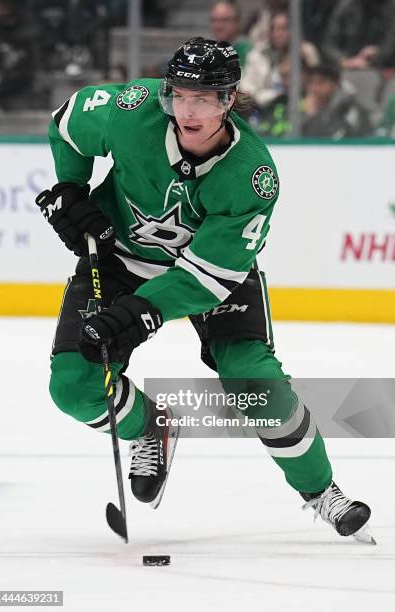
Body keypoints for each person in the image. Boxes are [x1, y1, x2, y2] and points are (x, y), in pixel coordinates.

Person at [36, 37, 374, 541]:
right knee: (73, 386)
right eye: (178, 95)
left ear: (230, 100)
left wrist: (138, 312)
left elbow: (207, 277)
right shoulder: (133, 112)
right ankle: (149, 426)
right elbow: (67, 122)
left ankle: (321, 491)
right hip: (118, 256)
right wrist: (70, 188)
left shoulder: (251, 177)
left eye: (204, 99)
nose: (187, 110)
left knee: (252, 380)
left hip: (205, 275)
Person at [240, 9, 319, 108]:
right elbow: (248, 86)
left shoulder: (307, 52)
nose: (280, 34)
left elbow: (315, 85)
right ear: (270, 32)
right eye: (276, 29)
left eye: (284, 28)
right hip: (262, 106)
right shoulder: (257, 54)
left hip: (298, 107)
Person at [302, 63, 372, 139]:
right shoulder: (306, 108)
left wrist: (313, 116)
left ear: (335, 85)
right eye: (310, 82)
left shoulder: (348, 109)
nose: (314, 89)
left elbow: (335, 141)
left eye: (321, 83)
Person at [322, 0, 395, 70]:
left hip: (378, 67)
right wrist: (344, 61)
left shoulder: (391, 8)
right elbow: (329, 44)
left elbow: (390, 44)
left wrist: (377, 53)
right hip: (344, 64)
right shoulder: (346, 5)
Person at [210, 1, 252, 68]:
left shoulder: (249, 52)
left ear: (237, 22)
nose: (218, 26)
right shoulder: (208, 51)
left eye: (224, 20)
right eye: (214, 20)